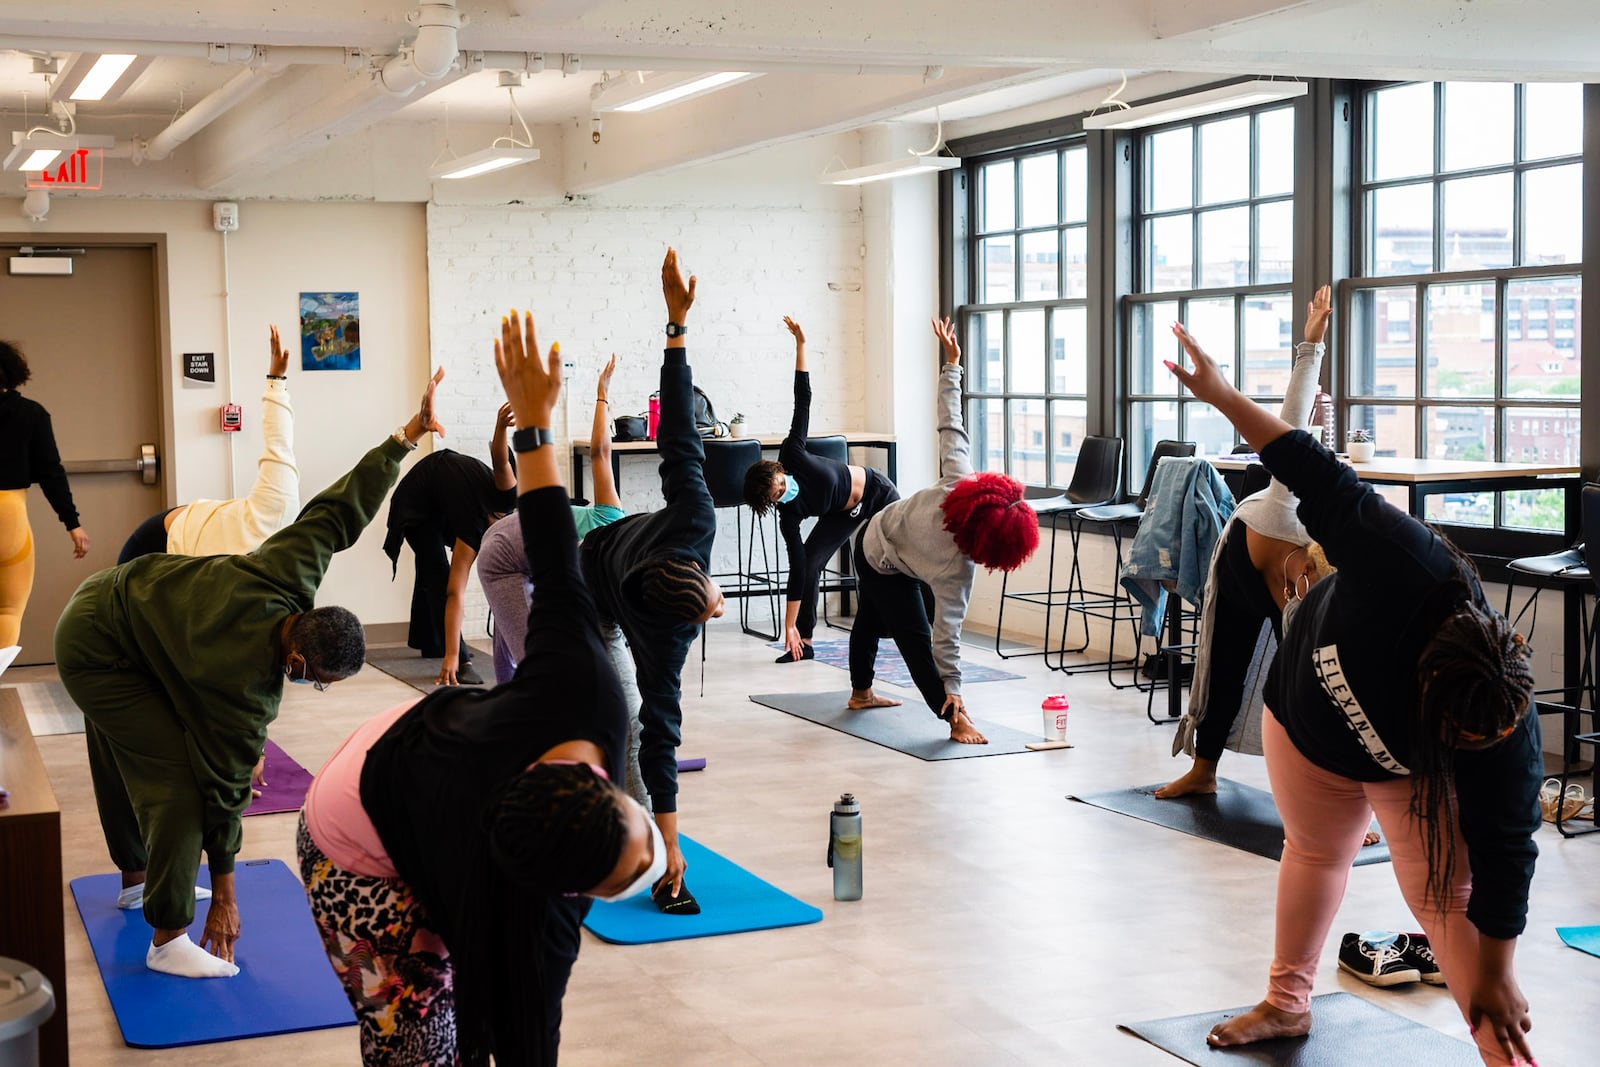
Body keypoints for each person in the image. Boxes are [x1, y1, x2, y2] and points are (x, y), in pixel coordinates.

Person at [1167, 321, 1541, 1067]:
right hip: (1307, 717)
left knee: (1443, 898)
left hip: (1395, 766)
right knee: (1312, 850)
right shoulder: (1404, 559)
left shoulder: (1500, 725)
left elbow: (1508, 849)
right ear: (1428, 680)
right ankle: (1285, 1004)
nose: (1465, 761)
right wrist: (1220, 393)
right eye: (1451, 744)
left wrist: (1497, 969)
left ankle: (1510, 1061)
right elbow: (1308, 465)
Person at [300, 313, 660, 1065]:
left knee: (474, 999)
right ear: (566, 894)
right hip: (354, 835)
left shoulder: (584, 689)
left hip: (425, 758)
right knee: (418, 1037)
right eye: (629, 870)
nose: (653, 853)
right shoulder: (530, 918)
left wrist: (535, 425)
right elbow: (527, 1038)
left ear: (600, 783)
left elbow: (557, 551)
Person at [53, 368, 448, 980]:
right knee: (177, 786)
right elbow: (224, 796)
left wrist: (404, 437)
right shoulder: (242, 693)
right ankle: (167, 937)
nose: (309, 688)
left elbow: (341, 510)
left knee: (122, 746)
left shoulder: (289, 573)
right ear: (295, 661)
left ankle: (137, 884)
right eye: (315, 679)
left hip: (119, 598)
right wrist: (227, 897)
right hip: (97, 649)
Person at [581, 248, 722, 911]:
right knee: (615, 711)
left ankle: (649, 843)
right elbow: (657, 729)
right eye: (710, 610)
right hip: (588, 578)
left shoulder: (693, 519)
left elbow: (681, 439)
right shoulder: (664, 642)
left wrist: (676, 327)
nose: (719, 609)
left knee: (641, 726)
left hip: (616, 535)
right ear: (678, 620)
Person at [1158, 286, 1332, 799]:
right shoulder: (1289, 499)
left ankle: (1320, 794)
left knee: (1308, 687)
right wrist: (1311, 347)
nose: (1300, 595)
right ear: (1304, 567)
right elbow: (1291, 417)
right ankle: (1203, 770)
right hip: (1239, 557)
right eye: (1302, 587)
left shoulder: (1319, 595)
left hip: (1269, 565)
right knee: (1224, 664)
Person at [847, 318, 1040, 745]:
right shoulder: (957, 560)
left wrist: (953, 363)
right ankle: (954, 721)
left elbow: (950, 422)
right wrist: (953, 691)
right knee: (914, 638)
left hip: (902, 549)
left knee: (872, 616)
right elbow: (942, 638)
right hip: (877, 549)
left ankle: (861, 693)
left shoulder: (961, 484)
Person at [476, 356, 648, 809]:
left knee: (529, 657)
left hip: (531, 553)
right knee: (539, 664)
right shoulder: (607, 521)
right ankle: (524, 760)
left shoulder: (610, 542)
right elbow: (600, 452)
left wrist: (602, 390)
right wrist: (600, 394)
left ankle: (519, 740)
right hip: (503, 558)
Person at [743, 316, 900, 663]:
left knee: (899, 555)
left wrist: (800, 346)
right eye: (776, 494)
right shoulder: (789, 516)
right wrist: (789, 626)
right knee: (811, 564)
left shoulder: (792, 453)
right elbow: (798, 571)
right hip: (844, 513)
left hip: (877, 492)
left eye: (780, 482)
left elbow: (803, 400)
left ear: (779, 470)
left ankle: (917, 621)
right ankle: (806, 642)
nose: (783, 490)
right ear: (770, 502)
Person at [118, 325, 300, 563]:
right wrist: (275, 380)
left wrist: (276, 377)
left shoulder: (266, 557)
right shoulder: (279, 501)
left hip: (189, 545)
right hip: (162, 540)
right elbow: (278, 438)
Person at [382, 403, 518, 685]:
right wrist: (501, 424)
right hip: (415, 502)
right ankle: (461, 658)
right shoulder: (487, 515)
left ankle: (430, 640)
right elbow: (500, 458)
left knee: (432, 569)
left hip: (442, 498)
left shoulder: (499, 512)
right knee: (438, 573)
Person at [0, 339, 90, 650]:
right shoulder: (32, 414)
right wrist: (73, 524)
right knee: (8, 611)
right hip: (9, 515)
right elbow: (52, 473)